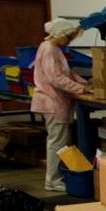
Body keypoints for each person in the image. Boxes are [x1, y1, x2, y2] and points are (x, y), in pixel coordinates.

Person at [31, 18, 90, 192]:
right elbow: (56, 78)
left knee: (59, 142)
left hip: (55, 101)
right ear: (60, 34)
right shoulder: (49, 49)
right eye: (68, 36)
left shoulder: (53, 48)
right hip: (52, 102)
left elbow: (67, 72)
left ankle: (56, 177)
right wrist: (80, 89)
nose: (69, 40)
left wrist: (85, 83)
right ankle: (53, 180)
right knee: (57, 143)